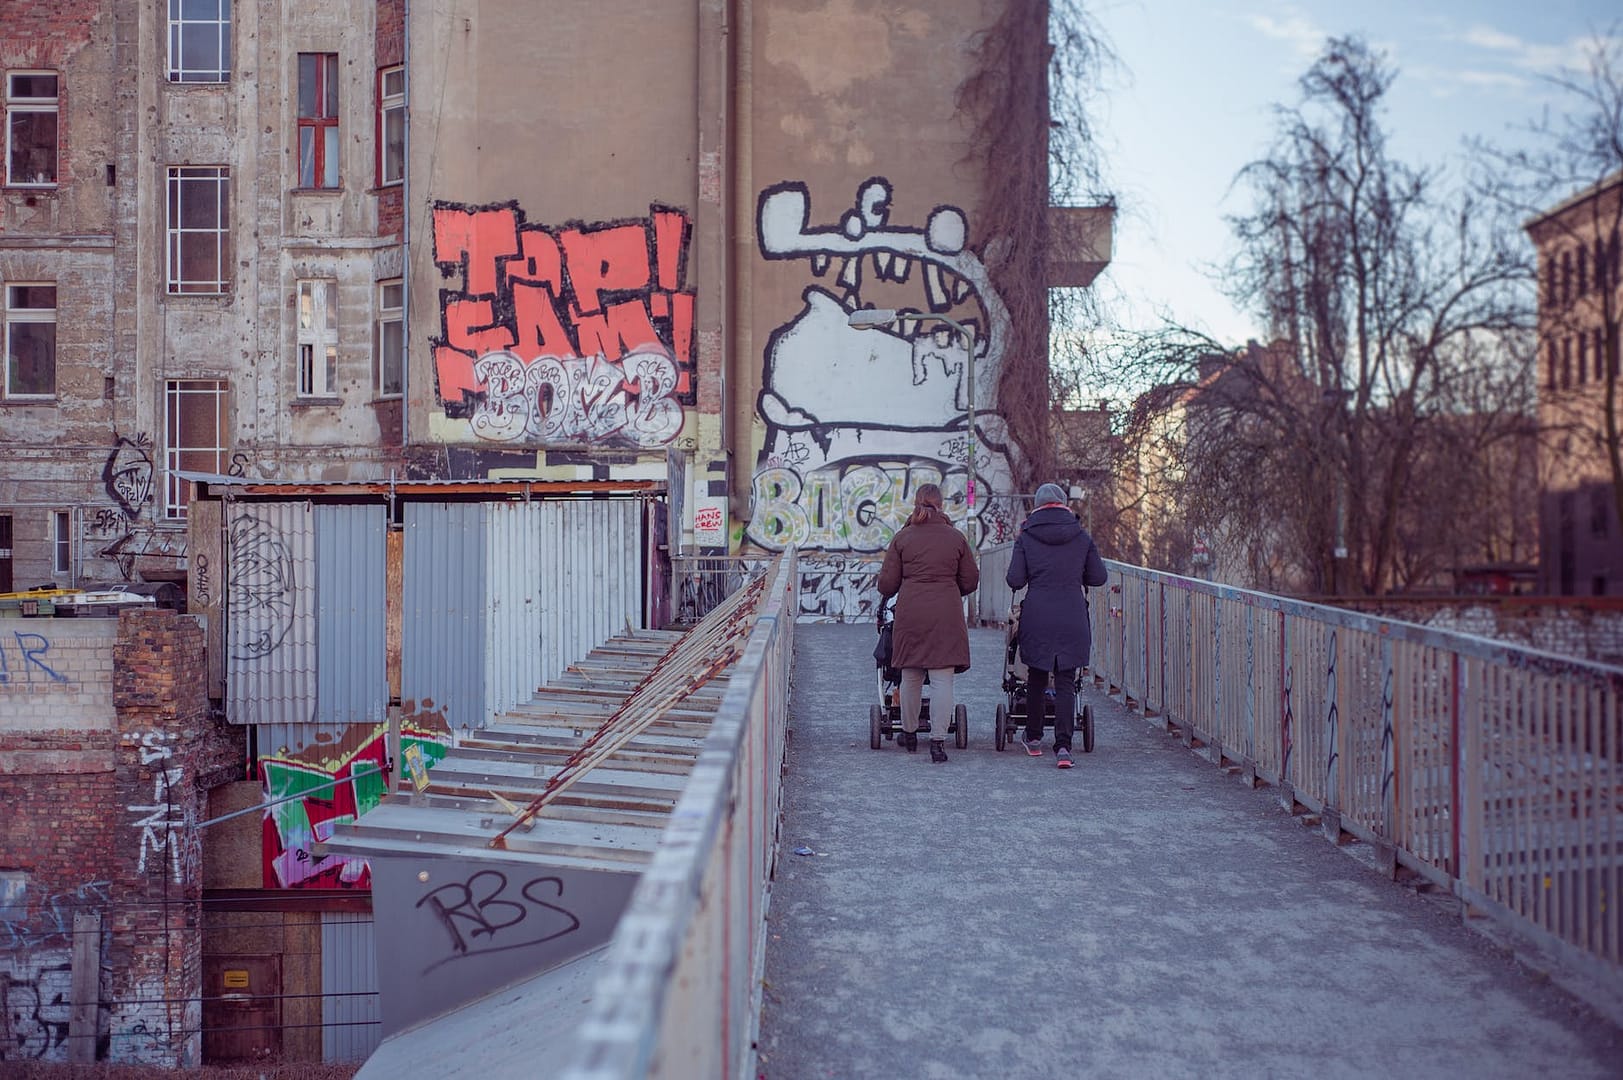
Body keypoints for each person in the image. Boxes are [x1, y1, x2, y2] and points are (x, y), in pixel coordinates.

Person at [1005, 482, 1107, 768]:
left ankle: (1034, 737)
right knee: (1065, 680)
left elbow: (1015, 580)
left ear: (1037, 506)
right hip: (1072, 615)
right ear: (1065, 505)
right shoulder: (1081, 536)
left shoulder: (1026, 536)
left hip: (1037, 614)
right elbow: (1098, 577)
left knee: (1036, 676)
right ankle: (1063, 747)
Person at [876, 483, 979, 763]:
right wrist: (948, 585)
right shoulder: (955, 538)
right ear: (940, 504)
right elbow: (970, 580)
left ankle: (909, 735)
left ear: (917, 503)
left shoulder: (902, 538)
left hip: (911, 612)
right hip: (946, 612)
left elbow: (886, 584)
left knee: (911, 676)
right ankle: (937, 743)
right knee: (942, 679)